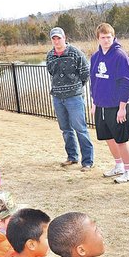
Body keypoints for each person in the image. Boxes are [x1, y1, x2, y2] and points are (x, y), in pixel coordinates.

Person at [89, 23, 129, 184]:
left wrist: (122, 107)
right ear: (98, 39)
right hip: (101, 105)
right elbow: (93, 81)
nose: (106, 40)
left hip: (117, 105)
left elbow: (127, 82)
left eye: (109, 37)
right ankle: (119, 165)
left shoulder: (120, 55)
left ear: (113, 37)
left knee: (121, 139)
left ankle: (128, 171)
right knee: (109, 137)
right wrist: (94, 103)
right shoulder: (95, 57)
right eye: (103, 37)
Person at [46, 26, 94, 171]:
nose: (56, 41)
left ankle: (87, 161)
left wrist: (76, 88)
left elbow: (85, 73)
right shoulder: (50, 55)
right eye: (53, 39)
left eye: (58, 38)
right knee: (65, 129)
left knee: (80, 129)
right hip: (57, 97)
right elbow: (51, 72)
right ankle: (72, 157)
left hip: (74, 97)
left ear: (64, 38)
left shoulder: (75, 53)